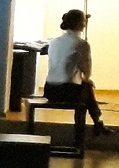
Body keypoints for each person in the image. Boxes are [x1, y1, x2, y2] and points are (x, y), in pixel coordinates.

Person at [44, 8, 112, 136]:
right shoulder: (81, 44)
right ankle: (95, 123)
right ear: (80, 24)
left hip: (49, 89)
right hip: (67, 91)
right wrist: (87, 80)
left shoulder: (53, 42)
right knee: (87, 86)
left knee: (86, 87)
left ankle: (98, 122)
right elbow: (86, 71)